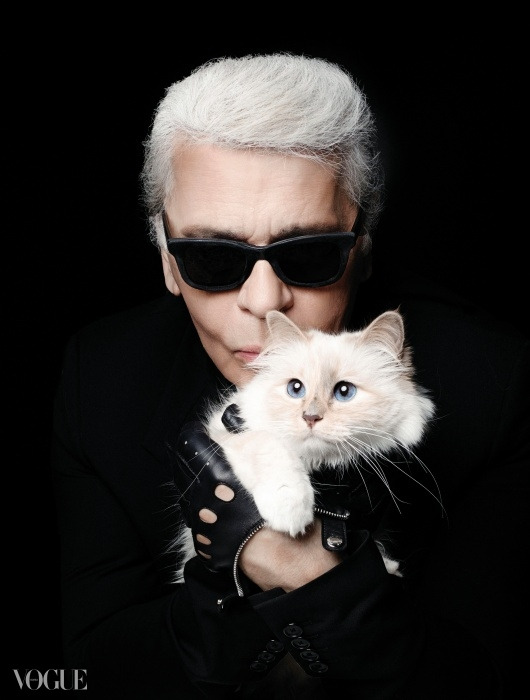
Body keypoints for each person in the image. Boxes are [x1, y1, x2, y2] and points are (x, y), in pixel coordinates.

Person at [51, 53, 529, 699]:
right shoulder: (101, 380)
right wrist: (222, 586)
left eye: (309, 254)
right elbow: (90, 672)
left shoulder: (490, 383)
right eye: (211, 258)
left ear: (361, 250)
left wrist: (307, 570)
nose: (263, 300)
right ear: (166, 261)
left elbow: (478, 683)